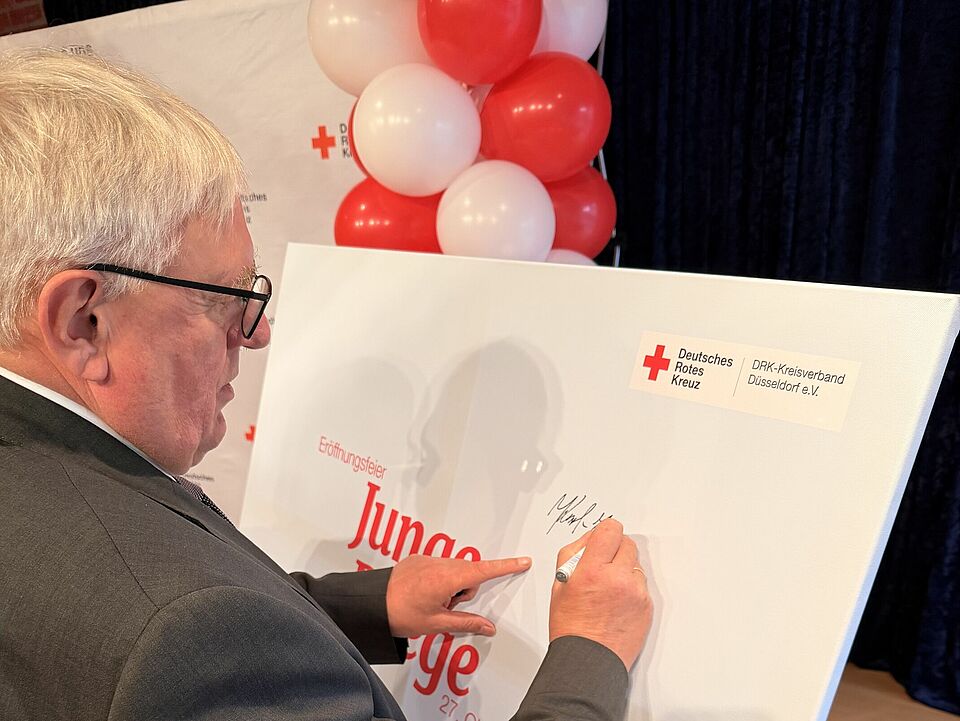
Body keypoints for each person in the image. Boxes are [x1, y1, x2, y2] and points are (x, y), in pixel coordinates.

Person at [0, 48, 652, 721]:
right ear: (83, 321)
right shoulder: (181, 624)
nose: (256, 333)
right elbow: (177, 629)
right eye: (223, 297)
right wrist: (590, 654)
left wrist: (365, 607)